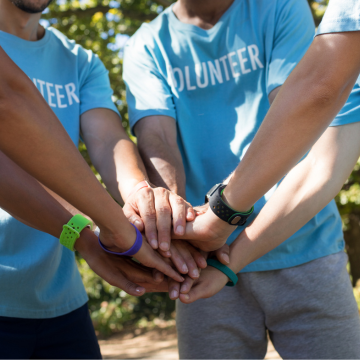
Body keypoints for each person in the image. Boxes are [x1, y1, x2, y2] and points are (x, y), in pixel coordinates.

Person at [123, 0, 360, 358]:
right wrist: (176, 225)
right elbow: (156, 139)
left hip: (303, 243)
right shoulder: (147, 43)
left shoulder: (282, 6)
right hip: (201, 262)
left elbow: (299, 114)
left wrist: (215, 220)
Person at [0, 0, 208, 358]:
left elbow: (108, 141)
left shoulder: (79, 61)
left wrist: (144, 200)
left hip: (60, 302)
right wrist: (100, 233)